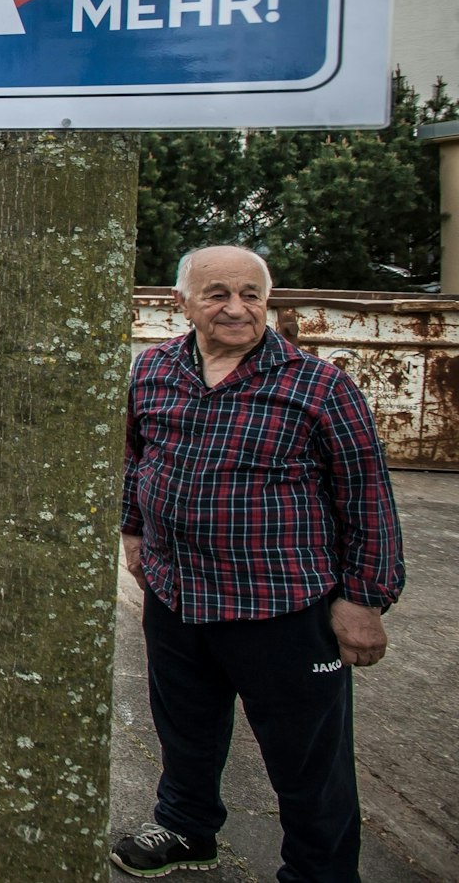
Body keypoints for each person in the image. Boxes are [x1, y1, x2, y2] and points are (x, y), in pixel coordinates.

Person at [111, 246, 405, 881]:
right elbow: (134, 456)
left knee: (308, 762)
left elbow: (368, 495)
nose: (237, 308)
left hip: (281, 607)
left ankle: (318, 872)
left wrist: (363, 599)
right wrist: (133, 532)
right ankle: (187, 827)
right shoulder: (155, 370)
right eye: (217, 294)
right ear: (180, 303)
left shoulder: (319, 385)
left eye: (251, 294)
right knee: (184, 728)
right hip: (177, 594)